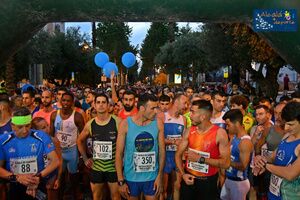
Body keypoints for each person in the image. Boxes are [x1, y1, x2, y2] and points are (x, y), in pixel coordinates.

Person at [175, 100, 230, 200]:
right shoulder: (189, 131)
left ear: (203, 116)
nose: (190, 115)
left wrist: (200, 159)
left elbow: (226, 163)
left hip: (208, 182)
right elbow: (178, 155)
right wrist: (183, 175)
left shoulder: (220, 133)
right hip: (189, 179)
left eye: (193, 112)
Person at [0, 107, 59, 199]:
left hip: (38, 183)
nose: (25, 130)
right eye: (20, 127)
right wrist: (17, 177)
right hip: (15, 184)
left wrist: (38, 177)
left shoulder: (41, 136)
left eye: (27, 126)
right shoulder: (3, 140)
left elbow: (55, 161)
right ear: (12, 125)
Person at [115, 93, 165, 200]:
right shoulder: (125, 124)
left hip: (152, 177)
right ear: (142, 108)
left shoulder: (158, 123)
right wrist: (120, 181)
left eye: (156, 108)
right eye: (153, 108)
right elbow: (119, 154)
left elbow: (162, 151)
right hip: (131, 177)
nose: (156, 111)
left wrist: (160, 176)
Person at [77, 93, 121, 200]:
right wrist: (85, 158)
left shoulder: (117, 121)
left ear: (108, 105)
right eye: (98, 102)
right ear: (94, 106)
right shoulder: (90, 124)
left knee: (115, 197)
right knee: (97, 197)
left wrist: (122, 160)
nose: (101, 105)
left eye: (103, 102)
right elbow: (79, 140)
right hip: (97, 167)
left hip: (113, 168)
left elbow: (126, 142)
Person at [254, 101, 300, 200]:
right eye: (286, 123)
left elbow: (290, 174)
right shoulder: (288, 135)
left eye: (291, 124)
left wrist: (266, 166)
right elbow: (273, 157)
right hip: (273, 194)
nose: (286, 127)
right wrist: (261, 160)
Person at [49, 92, 85, 200]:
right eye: (63, 100)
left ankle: (76, 196)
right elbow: (51, 135)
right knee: (60, 179)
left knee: (74, 179)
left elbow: (83, 136)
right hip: (59, 152)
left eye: (68, 101)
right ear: (61, 101)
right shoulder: (54, 115)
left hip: (72, 151)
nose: (65, 103)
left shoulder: (77, 116)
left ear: (72, 102)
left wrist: (82, 155)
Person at [158, 94, 187, 200]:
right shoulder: (162, 116)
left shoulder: (183, 119)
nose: (186, 106)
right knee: (163, 188)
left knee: (177, 186)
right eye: (184, 103)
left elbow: (183, 139)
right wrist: (174, 142)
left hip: (177, 157)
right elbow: (158, 139)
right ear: (176, 102)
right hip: (165, 157)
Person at [220, 109, 253, 200]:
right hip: (230, 179)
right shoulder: (234, 136)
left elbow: (243, 166)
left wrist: (226, 162)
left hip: (239, 184)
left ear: (237, 124)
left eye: (228, 125)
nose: (226, 128)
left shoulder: (245, 142)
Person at [31, 117, 62, 200]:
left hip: (52, 174)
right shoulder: (31, 143)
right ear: (35, 130)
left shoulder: (54, 141)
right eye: (43, 128)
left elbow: (60, 160)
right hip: (37, 175)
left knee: (52, 195)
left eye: (47, 125)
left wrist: (58, 179)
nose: (48, 128)